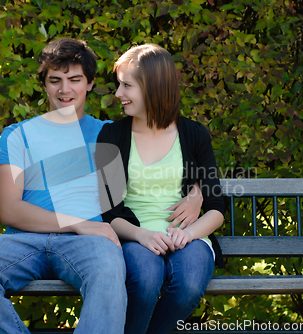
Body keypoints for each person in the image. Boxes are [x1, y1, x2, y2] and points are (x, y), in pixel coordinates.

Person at [0, 38, 202, 334]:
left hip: (90, 242)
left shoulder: (108, 135)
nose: (64, 90)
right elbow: (10, 210)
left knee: (110, 272)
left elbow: (159, 163)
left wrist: (197, 190)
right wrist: (76, 223)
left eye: (74, 80)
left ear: (90, 83)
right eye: (54, 80)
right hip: (25, 239)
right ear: (44, 85)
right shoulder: (16, 136)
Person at [96, 44, 225, 334]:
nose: (118, 94)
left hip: (189, 238)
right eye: (119, 84)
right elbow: (108, 212)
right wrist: (141, 234)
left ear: (153, 87)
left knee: (190, 284)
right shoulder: (111, 136)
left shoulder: (193, 134)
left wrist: (188, 233)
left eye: (127, 86)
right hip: (134, 237)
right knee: (144, 280)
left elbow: (217, 208)